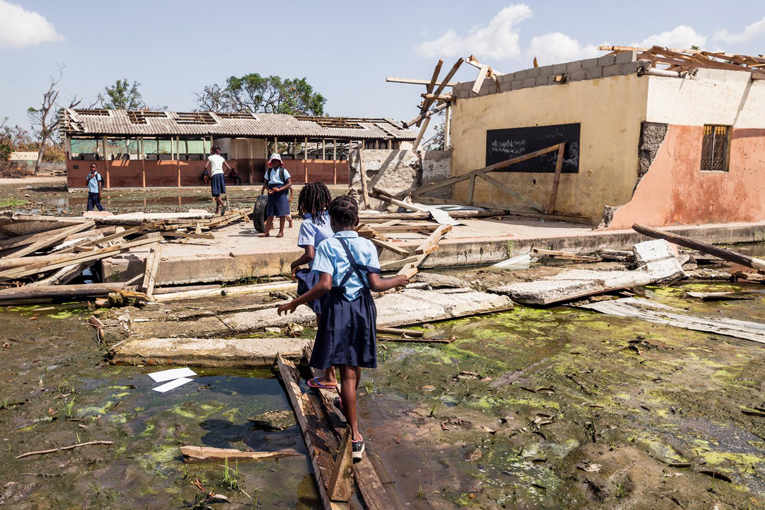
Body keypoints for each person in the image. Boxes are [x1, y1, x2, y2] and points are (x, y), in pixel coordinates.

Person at [278, 195, 408, 460]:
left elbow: (324, 285)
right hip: (363, 307)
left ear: (332, 220)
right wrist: (399, 279)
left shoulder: (326, 246)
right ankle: (347, 404)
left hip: (338, 307)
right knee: (355, 364)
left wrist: (295, 301)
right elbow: (376, 285)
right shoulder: (367, 245)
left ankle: (356, 436)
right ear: (357, 220)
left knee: (346, 372)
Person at [289, 183, 335, 389]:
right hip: (339, 278)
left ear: (305, 203)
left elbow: (310, 255)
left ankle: (329, 376)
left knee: (323, 327)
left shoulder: (308, 224)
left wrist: (294, 265)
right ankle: (341, 372)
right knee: (336, 325)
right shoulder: (334, 219)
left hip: (321, 278)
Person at [260, 153, 292, 237]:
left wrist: (279, 189)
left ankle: (281, 232)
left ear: (279, 162)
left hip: (281, 192)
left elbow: (289, 183)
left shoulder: (283, 171)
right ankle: (266, 232)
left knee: (282, 213)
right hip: (271, 192)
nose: (274, 163)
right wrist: (268, 190)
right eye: (273, 161)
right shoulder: (269, 171)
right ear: (271, 162)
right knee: (270, 212)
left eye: (276, 161)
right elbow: (265, 183)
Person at [204, 146, 232, 215]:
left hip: (215, 175)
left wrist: (206, 174)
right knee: (218, 193)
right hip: (221, 175)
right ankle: (217, 210)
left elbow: (205, 166)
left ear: (212, 151)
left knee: (215, 193)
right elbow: (229, 168)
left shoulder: (211, 157)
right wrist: (223, 174)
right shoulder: (221, 158)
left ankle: (223, 204)